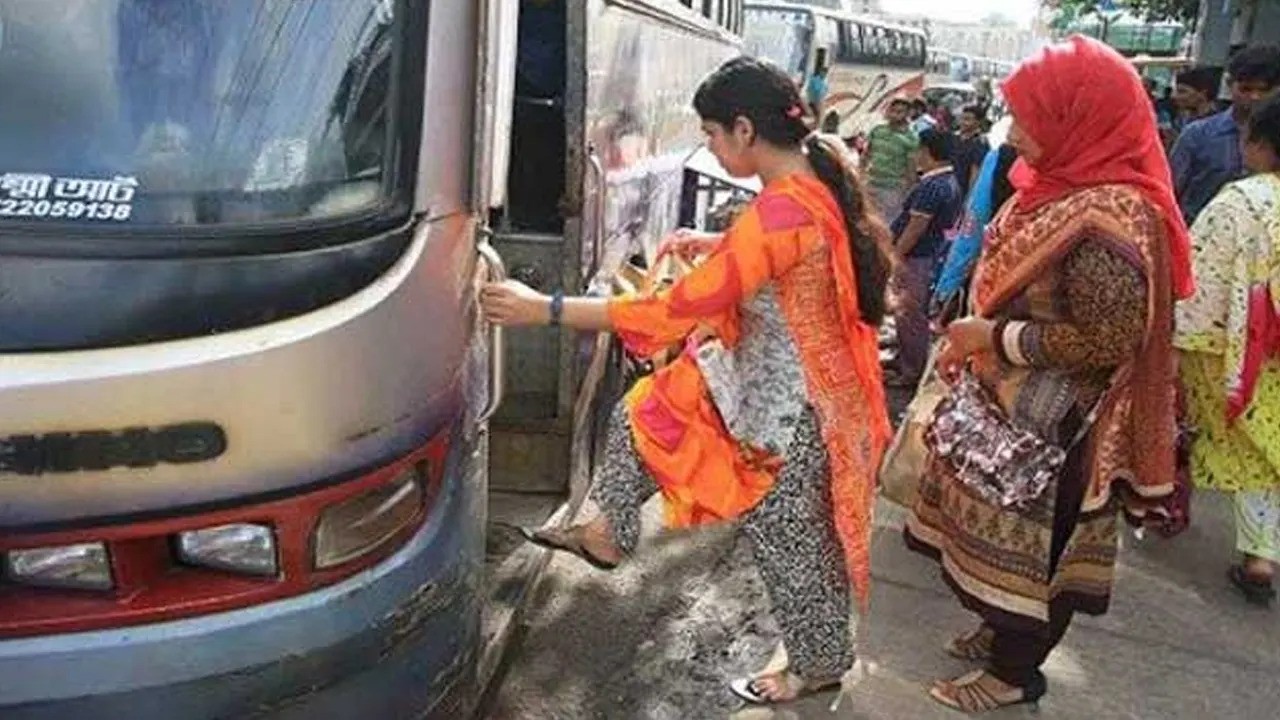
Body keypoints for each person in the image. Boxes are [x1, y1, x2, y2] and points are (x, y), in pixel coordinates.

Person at [480, 56, 893, 704]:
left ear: (744, 130)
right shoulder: (812, 177)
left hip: (789, 412)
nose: (710, 147)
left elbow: (672, 310)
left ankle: (818, 666)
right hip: (773, 382)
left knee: (791, 547)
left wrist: (545, 309)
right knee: (646, 412)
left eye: (711, 134)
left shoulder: (782, 213)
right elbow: (776, 257)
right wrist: (715, 245)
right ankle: (609, 533)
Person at [905, 36, 1193, 712]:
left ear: (1078, 118)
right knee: (994, 533)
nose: (1013, 133)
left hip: (1065, 427)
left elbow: (1110, 338)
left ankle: (1014, 673)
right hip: (1014, 406)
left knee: (1045, 551)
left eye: (1028, 117)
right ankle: (998, 630)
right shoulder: (1057, 186)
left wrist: (993, 336)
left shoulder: (1113, 215)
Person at [1175, 91, 1280, 607]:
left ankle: (1169, 502)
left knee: (1205, 431)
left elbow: (1201, 277)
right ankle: (1260, 555)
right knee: (1266, 448)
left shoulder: (1241, 201)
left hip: (1230, 345)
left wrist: (1176, 341)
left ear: (1259, 143)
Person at [1170, 44, 1280, 224]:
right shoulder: (1197, 135)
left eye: (1265, 90)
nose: (1255, 97)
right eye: (1246, 89)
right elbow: (1171, 190)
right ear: (1229, 85)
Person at [888, 128, 962, 388]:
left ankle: (911, 370)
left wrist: (895, 256)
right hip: (930, 255)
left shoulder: (931, 186)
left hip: (917, 257)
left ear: (927, 151)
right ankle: (905, 360)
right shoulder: (949, 181)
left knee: (910, 315)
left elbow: (915, 227)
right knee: (910, 314)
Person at [861, 98, 919, 225]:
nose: (894, 115)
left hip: (893, 188)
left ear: (907, 114)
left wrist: (909, 190)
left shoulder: (911, 138)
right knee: (868, 220)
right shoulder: (878, 130)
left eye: (900, 112)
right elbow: (866, 155)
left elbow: (911, 167)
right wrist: (861, 176)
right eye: (893, 111)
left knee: (888, 224)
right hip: (871, 182)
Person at [951, 104, 991, 198]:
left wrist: (969, 198)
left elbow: (975, 173)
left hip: (963, 192)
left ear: (978, 122)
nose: (962, 122)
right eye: (962, 118)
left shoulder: (980, 143)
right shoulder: (955, 138)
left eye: (967, 119)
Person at [1172, 65, 1222, 132]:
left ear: (1202, 93)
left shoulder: (1218, 125)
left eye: (1182, 91)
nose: (1175, 96)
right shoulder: (1181, 120)